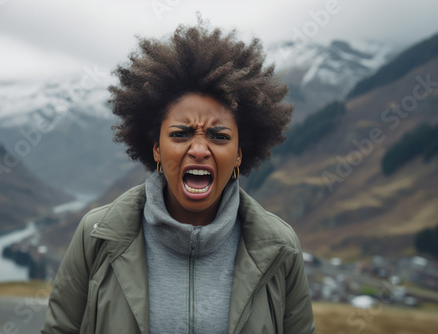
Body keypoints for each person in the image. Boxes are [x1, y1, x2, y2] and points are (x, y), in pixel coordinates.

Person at [42, 20, 315, 334]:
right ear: (156, 149)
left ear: (240, 154)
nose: (199, 149)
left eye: (219, 136)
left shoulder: (282, 248)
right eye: (181, 134)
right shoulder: (96, 236)